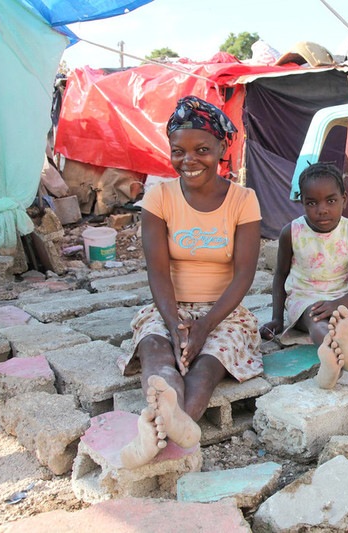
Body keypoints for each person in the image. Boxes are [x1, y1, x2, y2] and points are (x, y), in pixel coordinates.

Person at [119, 96, 262, 468]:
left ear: (221, 147)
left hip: (223, 312)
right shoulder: (159, 197)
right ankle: (170, 421)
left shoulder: (243, 200)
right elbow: (157, 271)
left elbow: (244, 274)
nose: (189, 160)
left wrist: (204, 328)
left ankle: (152, 433)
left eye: (201, 149)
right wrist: (174, 325)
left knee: (207, 366)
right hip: (171, 306)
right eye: (178, 151)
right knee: (156, 351)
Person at [259, 162, 348, 389]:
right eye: (312, 203)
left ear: (344, 199)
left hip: (343, 299)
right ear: (302, 202)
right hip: (306, 298)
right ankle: (333, 356)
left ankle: (343, 336)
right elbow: (280, 275)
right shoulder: (291, 233)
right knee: (316, 320)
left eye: (331, 201)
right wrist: (277, 318)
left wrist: (337, 304)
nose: (322, 209)